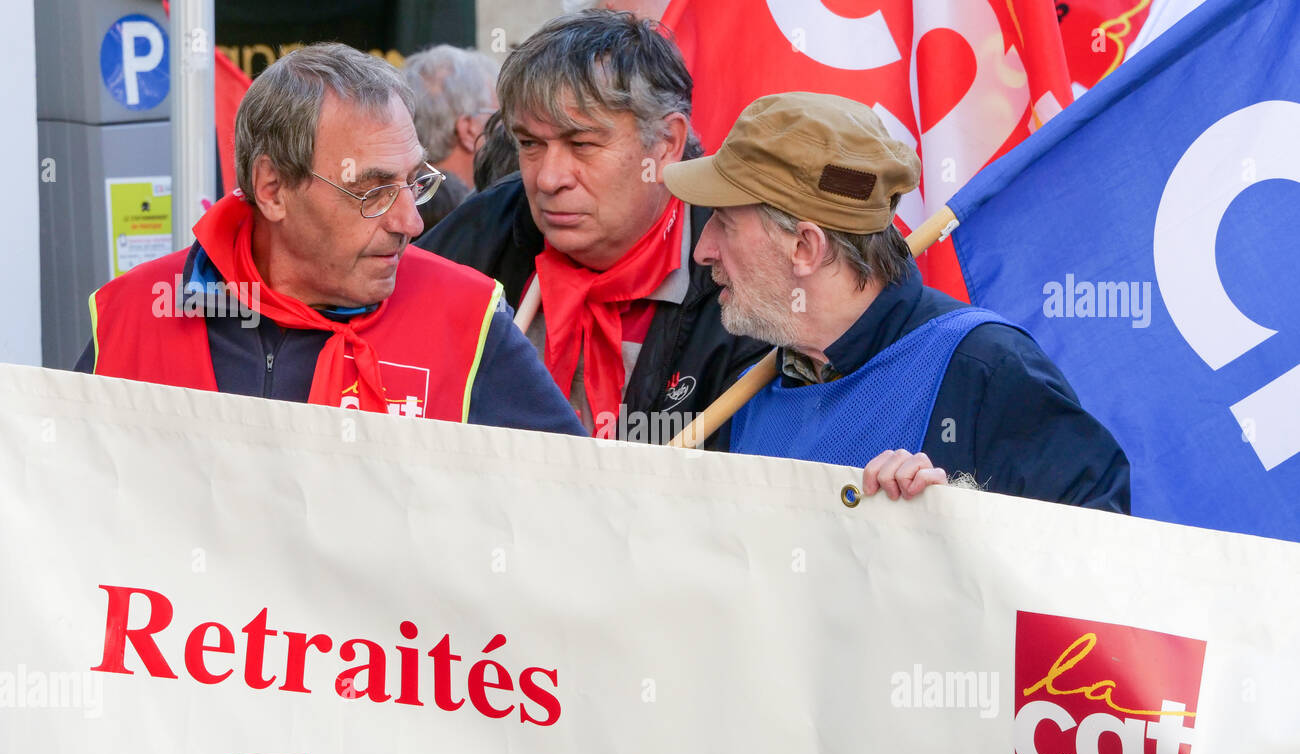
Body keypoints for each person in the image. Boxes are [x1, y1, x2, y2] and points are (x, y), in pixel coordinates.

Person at [76, 43, 584, 438]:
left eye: (414, 183)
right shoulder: (131, 316)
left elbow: (577, 510)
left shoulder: (468, 320)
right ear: (272, 189)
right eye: (375, 191)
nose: (412, 222)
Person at [663, 92, 1131, 511]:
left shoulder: (984, 369)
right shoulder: (750, 388)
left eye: (723, 222)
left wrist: (959, 517)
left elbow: (1097, 568)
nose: (703, 250)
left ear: (804, 247)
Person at [418, 10, 768, 447]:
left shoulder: (751, 276)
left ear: (665, 143)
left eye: (581, 144)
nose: (548, 178)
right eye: (530, 144)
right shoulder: (481, 232)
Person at [403, 45, 498, 231]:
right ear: (469, 130)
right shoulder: (481, 225)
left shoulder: (391, 210)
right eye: (499, 116)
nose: (509, 131)